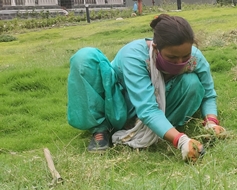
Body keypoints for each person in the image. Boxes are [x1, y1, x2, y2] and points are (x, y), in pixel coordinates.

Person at [67, 14, 225, 162]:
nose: (180, 62)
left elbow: (208, 94)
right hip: (120, 103)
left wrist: (211, 122)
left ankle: (163, 128)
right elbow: (147, 108)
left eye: (185, 56)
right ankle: (101, 128)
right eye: (172, 57)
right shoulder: (134, 56)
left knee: (192, 83)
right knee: (85, 57)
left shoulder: (195, 58)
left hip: (155, 107)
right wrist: (181, 140)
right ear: (155, 48)